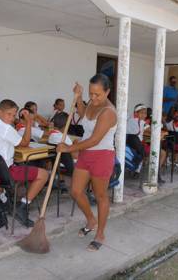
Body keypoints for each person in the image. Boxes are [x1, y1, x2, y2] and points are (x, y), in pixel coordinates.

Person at [57, 74, 117, 252]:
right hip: (86, 154)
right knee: (75, 191)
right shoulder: (92, 103)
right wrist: (79, 98)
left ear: (107, 91)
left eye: (97, 94)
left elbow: (94, 140)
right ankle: (91, 220)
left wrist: (68, 148)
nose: (94, 98)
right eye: (91, 93)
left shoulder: (108, 112)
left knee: (100, 196)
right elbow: (84, 116)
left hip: (102, 155)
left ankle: (100, 233)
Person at [0, 99, 48, 227]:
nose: (12, 118)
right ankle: (23, 207)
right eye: (9, 114)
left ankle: (1, 201)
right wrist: (29, 122)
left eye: (13, 115)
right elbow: (25, 143)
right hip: (4, 174)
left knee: (15, 164)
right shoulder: (6, 128)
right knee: (44, 174)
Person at [126, 104, 149, 177]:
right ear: (136, 113)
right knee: (144, 151)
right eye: (142, 113)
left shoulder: (130, 119)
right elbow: (150, 129)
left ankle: (133, 168)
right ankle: (137, 170)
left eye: (145, 113)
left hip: (129, 143)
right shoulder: (140, 122)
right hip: (137, 144)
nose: (144, 115)